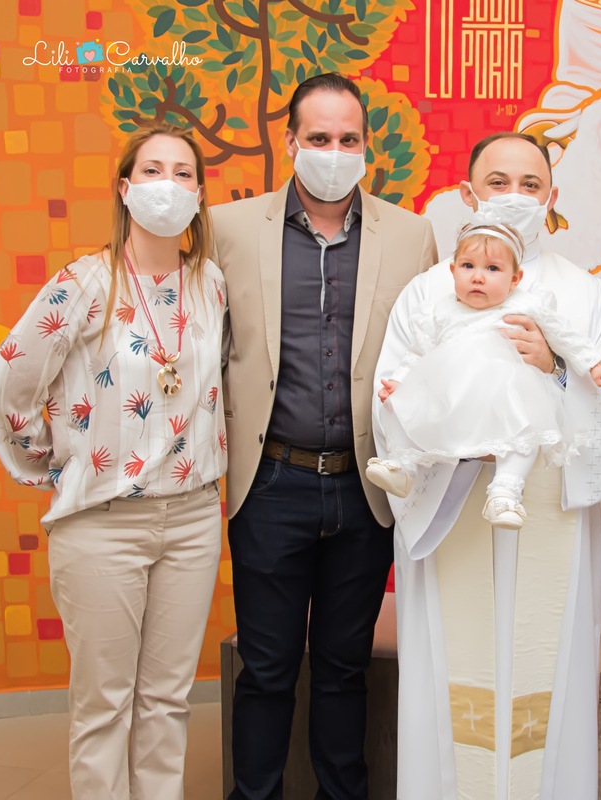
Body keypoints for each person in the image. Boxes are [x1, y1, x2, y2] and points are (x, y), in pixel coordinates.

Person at [380, 132, 601, 799]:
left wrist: (555, 369)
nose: (515, 196)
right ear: (468, 193)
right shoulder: (429, 291)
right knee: (453, 678)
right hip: (452, 500)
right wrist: (447, 425)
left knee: (543, 672)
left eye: (531, 185)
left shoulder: (579, 293)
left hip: (543, 500)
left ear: (552, 198)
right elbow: (392, 387)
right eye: (498, 182)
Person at [0, 123, 225, 799]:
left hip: (194, 519)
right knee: (104, 705)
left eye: (182, 172)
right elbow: (1, 389)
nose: (167, 185)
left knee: (168, 700)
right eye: (152, 170)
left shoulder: (210, 283)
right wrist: (53, 464)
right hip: (103, 522)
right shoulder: (83, 283)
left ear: (200, 194)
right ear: (124, 187)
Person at [210, 72, 437, 799]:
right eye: (319, 138)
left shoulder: (413, 234)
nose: (334, 152)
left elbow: (435, 349)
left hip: (365, 486)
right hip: (269, 483)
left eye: (348, 139)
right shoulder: (226, 228)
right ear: (290, 142)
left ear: (367, 145)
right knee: (267, 670)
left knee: (344, 671)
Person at [367, 217, 601, 529]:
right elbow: (417, 352)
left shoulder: (526, 305)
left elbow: (565, 335)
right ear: (453, 270)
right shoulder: (441, 311)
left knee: (525, 430)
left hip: (507, 394)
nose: (478, 277)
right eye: (468, 266)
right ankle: (403, 466)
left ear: (515, 279)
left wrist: (594, 363)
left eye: (493, 269)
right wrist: (399, 382)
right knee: (406, 405)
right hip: (452, 397)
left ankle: (506, 491)